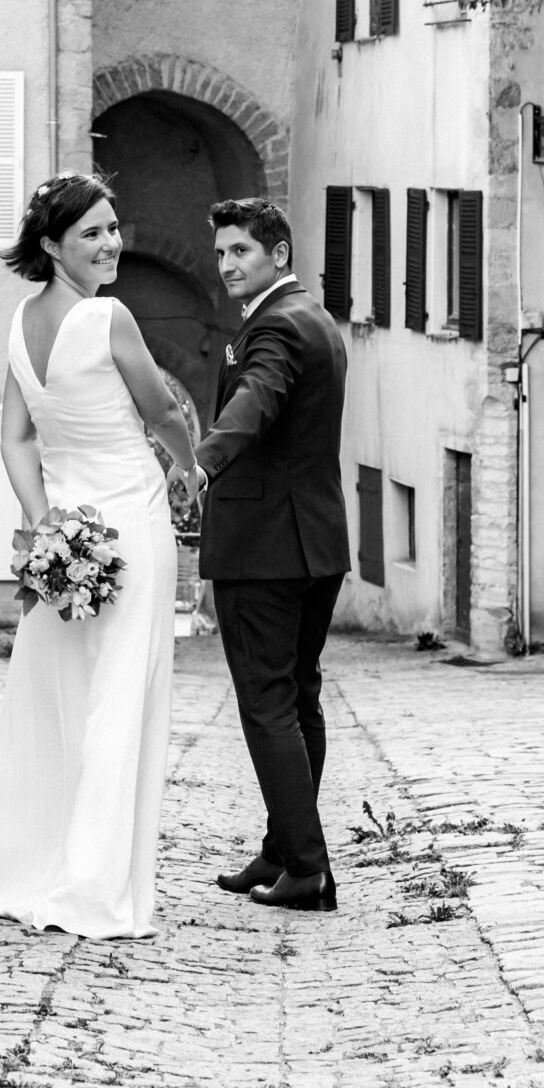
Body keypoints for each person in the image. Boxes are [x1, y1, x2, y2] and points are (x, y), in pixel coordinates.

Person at [0, 173, 200, 939]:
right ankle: (93, 885)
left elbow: (15, 439)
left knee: (56, 702)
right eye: (92, 232)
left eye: (113, 227)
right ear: (52, 245)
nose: (111, 242)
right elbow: (162, 408)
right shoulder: (108, 316)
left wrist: (44, 523)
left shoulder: (21, 322)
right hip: (131, 521)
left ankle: (33, 866)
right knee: (121, 700)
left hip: (68, 539)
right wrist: (190, 465)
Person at [190, 198, 349, 913]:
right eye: (221, 253)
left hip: (265, 550)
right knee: (298, 697)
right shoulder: (315, 317)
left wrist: (203, 461)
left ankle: (307, 869)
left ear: (278, 253)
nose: (227, 265)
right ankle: (283, 850)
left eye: (241, 251)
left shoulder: (277, 325)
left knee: (268, 705)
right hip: (313, 543)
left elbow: (257, 397)